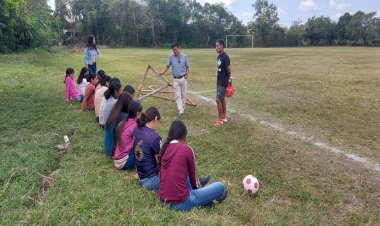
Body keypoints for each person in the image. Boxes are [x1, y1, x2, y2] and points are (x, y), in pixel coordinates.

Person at [159, 120, 227, 211]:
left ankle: (205, 202)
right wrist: (198, 192)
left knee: (184, 175)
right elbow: (192, 177)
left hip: (164, 200)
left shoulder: (165, 148)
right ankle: (205, 201)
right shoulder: (187, 149)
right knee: (220, 186)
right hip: (182, 203)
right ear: (184, 135)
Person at [133, 107, 162, 191]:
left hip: (140, 174)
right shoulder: (155, 137)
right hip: (151, 180)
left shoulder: (136, 129)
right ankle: (198, 182)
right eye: (159, 122)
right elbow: (160, 162)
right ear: (156, 119)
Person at [159, 42, 189, 117]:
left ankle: (182, 109)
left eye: (175, 49)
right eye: (173, 50)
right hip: (175, 79)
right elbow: (168, 66)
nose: (174, 51)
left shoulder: (184, 56)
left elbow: (187, 66)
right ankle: (181, 110)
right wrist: (162, 73)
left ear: (179, 48)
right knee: (177, 96)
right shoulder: (171, 57)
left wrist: (187, 75)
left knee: (183, 95)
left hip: (183, 78)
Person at [112, 101, 143, 170]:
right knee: (144, 148)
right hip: (124, 162)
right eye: (141, 113)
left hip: (117, 159)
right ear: (138, 114)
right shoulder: (135, 126)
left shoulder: (123, 122)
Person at [104, 92, 133, 156]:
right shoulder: (124, 116)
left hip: (107, 148)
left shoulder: (115, 110)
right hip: (113, 151)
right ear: (127, 104)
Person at [214, 39, 232, 126]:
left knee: (218, 99)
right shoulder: (218, 57)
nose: (216, 48)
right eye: (216, 46)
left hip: (223, 81)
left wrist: (227, 79)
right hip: (219, 80)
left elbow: (229, 70)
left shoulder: (225, 57)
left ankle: (220, 119)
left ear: (222, 46)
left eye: (217, 46)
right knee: (222, 99)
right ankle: (224, 117)